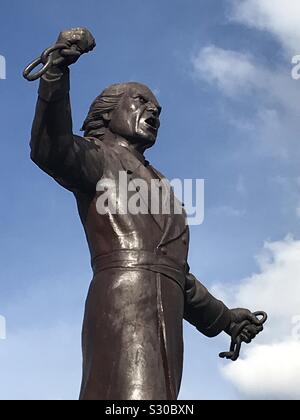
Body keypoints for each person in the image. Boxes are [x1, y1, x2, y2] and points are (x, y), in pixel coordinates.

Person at [29, 28, 264, 400]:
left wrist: (225, 318)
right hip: (122, 305)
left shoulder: (163, 185)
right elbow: (51, 148)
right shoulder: (97, 157)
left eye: (157, 108)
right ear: (107, 113)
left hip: (167, 321)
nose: (152, 110)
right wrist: (57, 72)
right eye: (140, 101)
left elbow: (176, 273)